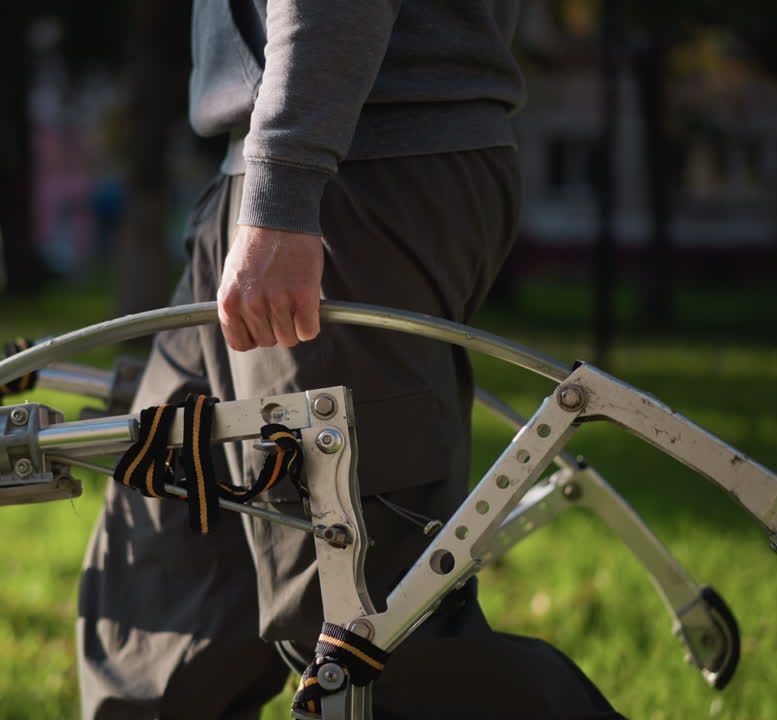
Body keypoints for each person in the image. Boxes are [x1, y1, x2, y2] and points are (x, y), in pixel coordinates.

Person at [77, 1, 622, 717]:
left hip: (356, 167)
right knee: (162, 594)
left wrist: (286, 184)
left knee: (360, 629)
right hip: (266, 163)